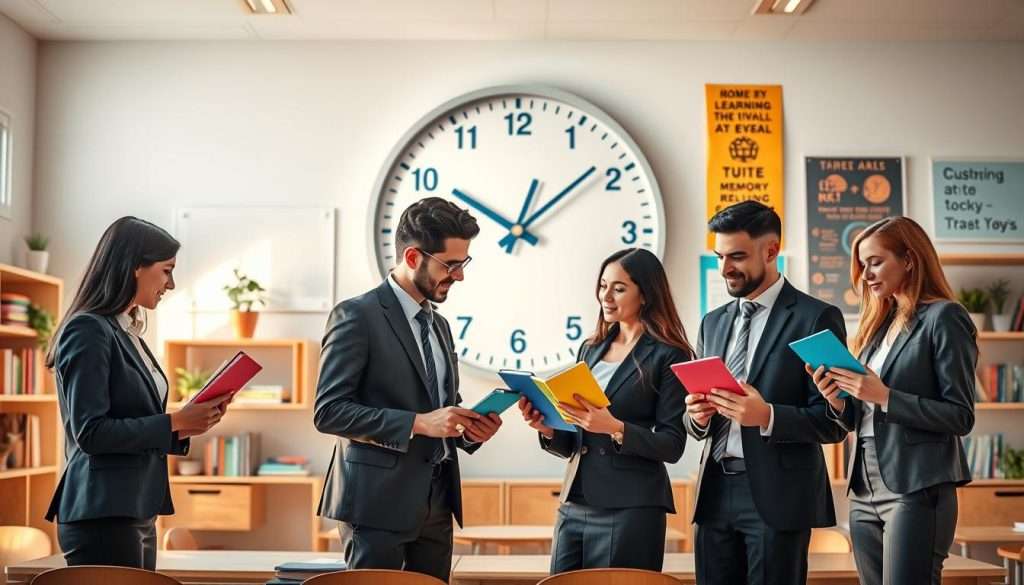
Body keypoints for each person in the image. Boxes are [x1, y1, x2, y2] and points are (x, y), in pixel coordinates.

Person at [314, 197, 503, 582]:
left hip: (437, 502)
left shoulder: (440, 325)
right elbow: (329, 411)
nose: (459, 276)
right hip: (375, 503)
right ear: (413, 257)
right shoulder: (357, 316)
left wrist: (470, 430)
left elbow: (442, 408)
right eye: (450, 265)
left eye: (463, 263)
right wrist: (418, 423)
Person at [45, 216, 229, 569]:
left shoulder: (126, 331)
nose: (171, 284)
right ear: (134, 267)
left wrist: (188, 424)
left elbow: (133, 421)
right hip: (102, 512)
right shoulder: (88, 330)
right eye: (166, 271)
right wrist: (173, 422)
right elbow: (91, 433)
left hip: (134, 508)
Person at [682, 201, 848, 585]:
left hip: (779, 497)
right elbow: (692, 423)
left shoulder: (815, 318)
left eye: (737, 256)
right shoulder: (712, 323)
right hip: (714, 492)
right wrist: (696, 416)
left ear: (771, 251)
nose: (725, 269)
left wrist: (767, 416)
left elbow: (836, 421)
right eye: (720, 257)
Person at [806, 216, 975, 585]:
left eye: (876, 262)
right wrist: (836, 400)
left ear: (909, 259)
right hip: (863, 486)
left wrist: (885, 396)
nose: (866, 275)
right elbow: (860, 416)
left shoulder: (945, 317)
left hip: (916, 484)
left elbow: (960, 416)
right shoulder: (876, 327)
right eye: (862, 265)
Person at [518, 248, 691, 572]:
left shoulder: (670, 354)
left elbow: (672, 444)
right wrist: (549, 429)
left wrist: (616, 428)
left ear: (646, 294)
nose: (605, 297)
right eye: (602, 286)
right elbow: (579, 436)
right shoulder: (591, 348)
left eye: (619, 288)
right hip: (575, 500)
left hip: (630, 506)